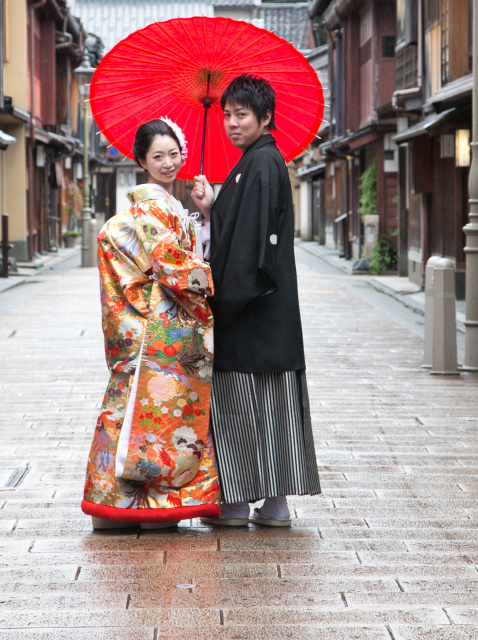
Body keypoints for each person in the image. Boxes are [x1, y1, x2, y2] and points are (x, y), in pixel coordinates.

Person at [191, 74, 321, 527]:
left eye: (241, 114)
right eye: (226, 115)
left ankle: (235, 504)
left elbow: (247, 245)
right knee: (274, 410)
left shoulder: (261, 164)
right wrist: (213, 207)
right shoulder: (258, 162)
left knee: (241, 408)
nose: (230, 123)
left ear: (265, 117)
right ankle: (276, 504)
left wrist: (219, 303)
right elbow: (241, 226)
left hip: (249, 310)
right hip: (270, 314)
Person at [82, 118, 220, 531]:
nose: (167, 162)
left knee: (128, 411)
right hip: (159, 328)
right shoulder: (153, 208)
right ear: (141, 161)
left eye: (173, 153)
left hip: (144, 325)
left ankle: (114, 504)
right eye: (157, 156)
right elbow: (171, 266)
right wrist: (213, 277)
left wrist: (202, 216)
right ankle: (156, 504)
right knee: (162, 415)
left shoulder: (166, 207)